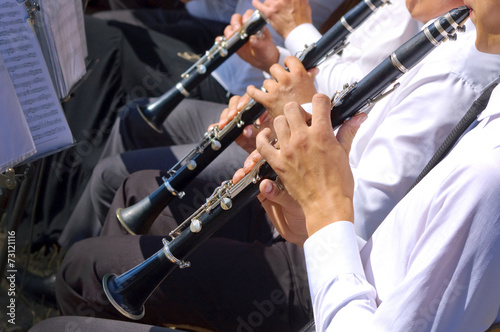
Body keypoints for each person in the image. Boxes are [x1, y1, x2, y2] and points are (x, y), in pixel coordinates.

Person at [52, 1, 500, 331]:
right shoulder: (453, 52)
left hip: (325, 280)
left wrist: (302, 130)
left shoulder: (466, 94)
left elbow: (365, 213)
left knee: (87, 268)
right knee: (130, 194)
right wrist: (287, 139)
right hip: (322, 242)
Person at [56, 0, 420, 248]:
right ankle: (69, 248)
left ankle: (81, 266)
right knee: (135, 118)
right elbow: (341, 71)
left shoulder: (436, 38)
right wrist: (274, 58)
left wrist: (295, 33)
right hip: (283, 107)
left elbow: (361, 94)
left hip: (319, 160)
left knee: (118, 175)